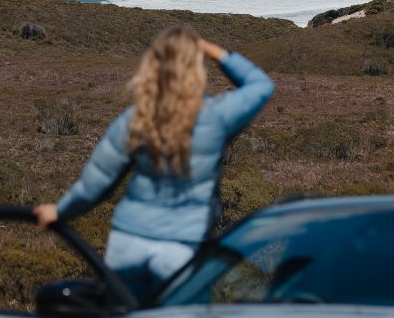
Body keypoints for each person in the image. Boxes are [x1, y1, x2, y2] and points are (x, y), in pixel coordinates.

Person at [33, 26, 275, 301]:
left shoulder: (136, 118)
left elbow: (96, 182)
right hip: (183, 248)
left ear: (152, 66)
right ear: (195, 69)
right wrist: (211, 50)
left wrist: (60, 211)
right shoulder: (216, 116)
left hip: (128, 242)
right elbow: (261, 86)